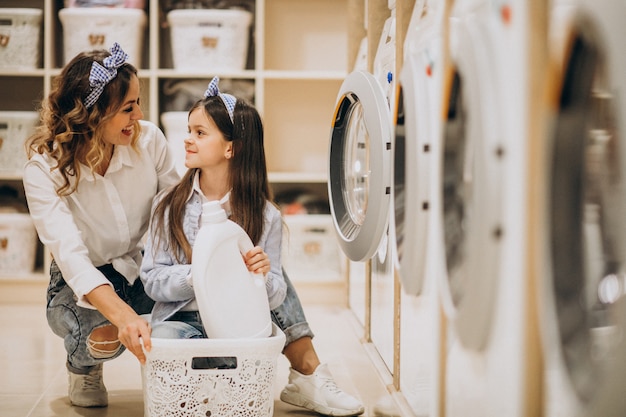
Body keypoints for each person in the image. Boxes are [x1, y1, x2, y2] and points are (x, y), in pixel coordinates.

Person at [141, 77, 365, 416]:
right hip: (181, 321)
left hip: (237, 323)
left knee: (240, 361)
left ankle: (301, 376)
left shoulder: (265, 215)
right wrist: (199, 275)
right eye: (189, 130)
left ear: (231, 148)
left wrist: (259, 276)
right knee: (171, 345)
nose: (187, 139)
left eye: (200, 133)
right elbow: (153, 281)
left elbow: (275, 292)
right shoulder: (167, 206)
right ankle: (218, 383)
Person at [22, 43, 180, 408]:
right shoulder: (44, 169)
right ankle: (83, 366)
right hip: (82, 280)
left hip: (142, 266)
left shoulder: (148, 140)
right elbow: (71, 256)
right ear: (92, 114)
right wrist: (124, 316)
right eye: (128, 108)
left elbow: (175, 208)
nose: (139, 115)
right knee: (101, 336)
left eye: (138, 103)